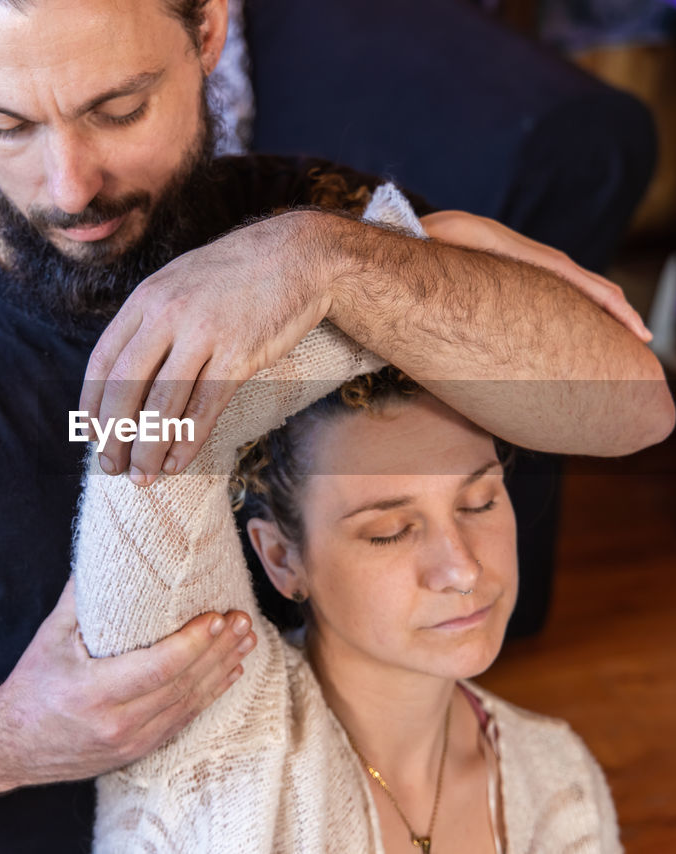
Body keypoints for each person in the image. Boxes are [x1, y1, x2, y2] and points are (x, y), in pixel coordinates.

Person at [0, 0, 673, 851]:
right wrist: (13, 735)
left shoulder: (319, 231)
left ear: (208, 32)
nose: (67, 186)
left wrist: (332, 261)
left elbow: (630, 407)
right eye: (5, 124)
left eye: (116, 108)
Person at [73, 189, 619, 853]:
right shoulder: (210, 743)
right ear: (281, 559)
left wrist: (393, 272)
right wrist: (366, 259)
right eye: (389, 530)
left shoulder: (558, 778)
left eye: (479, 501)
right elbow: (146, 449)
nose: (463, 567)